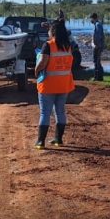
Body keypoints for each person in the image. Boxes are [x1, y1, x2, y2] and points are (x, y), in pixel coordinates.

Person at [33, 19, 75, 149]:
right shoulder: (68, 46)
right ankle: (58, 139)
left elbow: (43, 62)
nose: (48, 32)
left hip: (48, 85)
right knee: (60, 111)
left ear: (53, 32)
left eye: (50, 30)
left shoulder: (48, 45)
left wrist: (36, 70)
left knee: (45, 113)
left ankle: (40, 142)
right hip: (64, 84)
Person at [90, 12, 105, 81]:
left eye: (91, 19)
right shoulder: (96, 24)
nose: (91, 20)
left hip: (98, 46)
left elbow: (98, 36)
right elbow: (95, 35)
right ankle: (99, 77)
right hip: (97, 46)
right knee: (96, 61)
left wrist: (96, 45)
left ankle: (97, 77)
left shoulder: (98, 25)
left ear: (94, 18)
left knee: (97, 61)